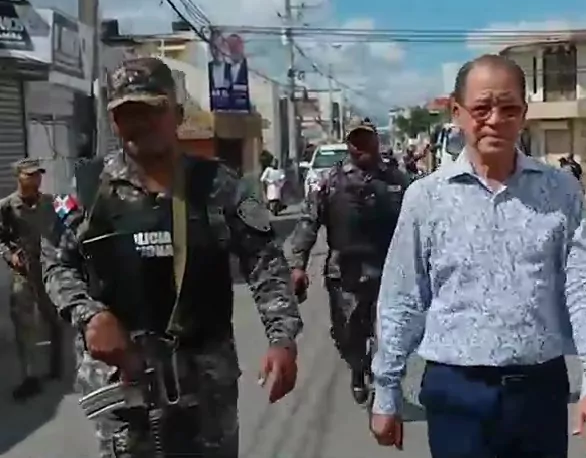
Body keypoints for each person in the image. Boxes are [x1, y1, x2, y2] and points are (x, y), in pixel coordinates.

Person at [41, 57, 302, 458]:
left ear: (177, 115)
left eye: (151, 110)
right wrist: (89, 315)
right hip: (123, 385)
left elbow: (265, 264)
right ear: (112, 121)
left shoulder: (222, 186)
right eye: (127, 114)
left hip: (205, 384)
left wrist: (281, 339)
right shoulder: (88, 189)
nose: (139, 123)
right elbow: (56, 262)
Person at [370, 54, 586, 458]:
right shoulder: (426, 198)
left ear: (524, 114)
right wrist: (386, 390)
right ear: (457, 112)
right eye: (482, 108)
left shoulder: (560, 191)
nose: (495, 120)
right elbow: (403, 298)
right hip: (456, 395)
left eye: (509, 109)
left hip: (539, 392)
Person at [288, 119, 411, 405]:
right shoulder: (330, 182)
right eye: (355, 141)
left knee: (393, 333)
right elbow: (308, 223)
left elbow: (420, 224)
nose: (361, 146)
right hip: (345, 273)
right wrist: (297, 266)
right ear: (348, 145)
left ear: (377, 141)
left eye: (366, 139)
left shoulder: (397, 180)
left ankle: (385, 382)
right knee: (347, 334)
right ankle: (358, 366)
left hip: (390, 271)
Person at [0, 158, 64, 400]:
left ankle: (56, 364)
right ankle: (30, 376)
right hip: (24, 271)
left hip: (49, 268)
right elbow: (1, 239)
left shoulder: (51, 202)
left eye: (38, 174)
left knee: (55, 317)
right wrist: (9, 255)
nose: (36, 179)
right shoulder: (7, 207)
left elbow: (65, 228)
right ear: (18, 176)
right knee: (23, 323)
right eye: (30, 174)